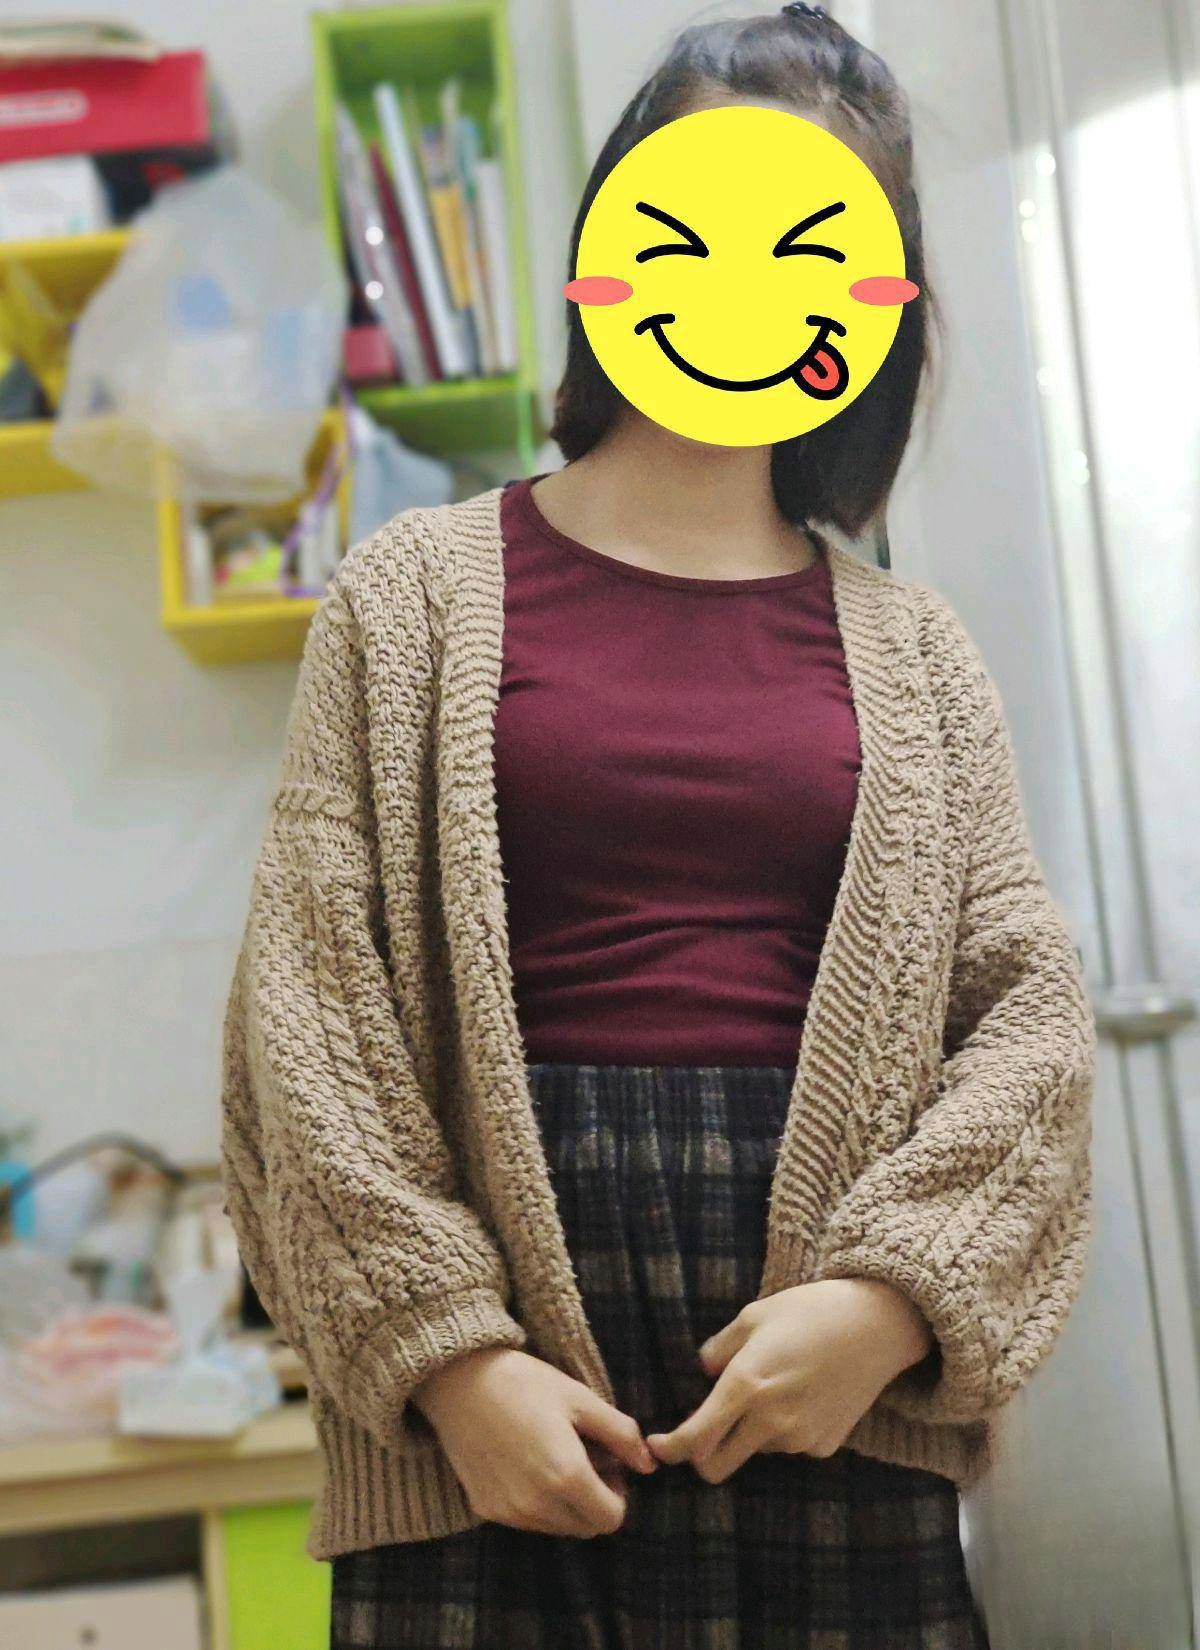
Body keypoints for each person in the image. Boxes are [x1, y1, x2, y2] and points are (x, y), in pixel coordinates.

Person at [220, 8, 1097, 1647]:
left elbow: (1027, 1026)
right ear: (610, 246)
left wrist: (888, 1299)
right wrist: (450, 1358)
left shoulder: (919, 650)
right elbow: (310, 1017)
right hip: (484, 1422)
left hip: (832, 1400)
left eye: (805, 243)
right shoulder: (409, 597)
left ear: (873, 302)